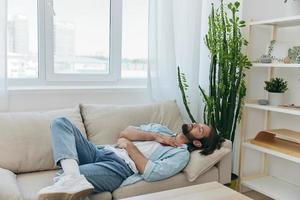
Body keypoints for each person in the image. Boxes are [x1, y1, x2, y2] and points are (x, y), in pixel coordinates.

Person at [38, 117, 224, 200]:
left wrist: (129, 145)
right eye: (198, 124)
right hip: (100, 152)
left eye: (199, 129)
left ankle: (71, 178)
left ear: (198, 144)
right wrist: (154, 136)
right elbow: (124, 133)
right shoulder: (161, 129)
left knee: (64, 175)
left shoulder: (180, 155)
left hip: (119, 167)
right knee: (61, 122)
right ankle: (73, 179)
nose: (195, 124)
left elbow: (150, 172)